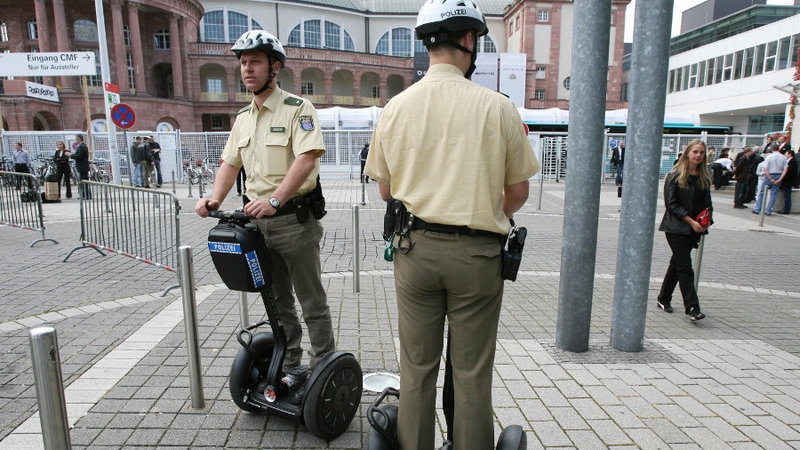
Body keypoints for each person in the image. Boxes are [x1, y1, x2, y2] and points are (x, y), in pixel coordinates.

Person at [364, 0, 540, 448]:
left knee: (417, 368)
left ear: (427, 44)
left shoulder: (396, 108)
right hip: (477, 257)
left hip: (415, 252)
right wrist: (478, 206)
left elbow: (386, 192)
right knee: (471, 371)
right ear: (468, 41)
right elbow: (517, 194)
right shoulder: (499, 108)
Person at [195, 31, 334, 385]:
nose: (247, 69)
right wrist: (215, 198)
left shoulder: (297, 109)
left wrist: (275, 200)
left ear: (274, 67)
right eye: (242, 62)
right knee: (277, 301)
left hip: (293, 222)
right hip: (257, 226)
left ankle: (323, 367)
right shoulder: (243, 117)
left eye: (254, 61)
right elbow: (230, 163)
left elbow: (306, 159)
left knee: (311, 301)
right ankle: (290, 364)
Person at [656, 139, 711, 322]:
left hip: (695, 228)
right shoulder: (675, 175)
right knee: (685, 266)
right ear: (687, 153)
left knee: (677, 264)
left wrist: (705, 221)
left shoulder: (704, 177)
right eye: (695, 152)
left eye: (701, 152)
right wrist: (690, 221)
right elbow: (671, 204)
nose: (698, 155)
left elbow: (707, 204)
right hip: (676, 227)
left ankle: (663, 298)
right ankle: (692, 307)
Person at [752, 143, 788, 215]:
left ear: (771, 149)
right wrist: (780, 179)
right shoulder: (783, 157)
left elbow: (765, 168)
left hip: (769, 174)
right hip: (778, 174)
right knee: (773, 194)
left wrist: (770, 178)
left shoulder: (769, 157)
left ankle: (758, 208)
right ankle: (768, 210)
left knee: (762, 192)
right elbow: (785, 169)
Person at [71, 134, 91, 200]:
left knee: (83, 181)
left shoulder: (82, 146)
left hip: (82, 167)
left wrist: (71, 155)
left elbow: (79, 156)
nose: (76, 141)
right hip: (83, 167)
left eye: (76, 139)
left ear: (79, 139)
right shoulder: (82, 146)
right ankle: (84, 194)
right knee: (83, 181)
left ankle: (85, 195)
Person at [777, 149, 797, 214]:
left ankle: (786, 209)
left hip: (788, 182)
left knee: (787, 195)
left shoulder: (793, 162)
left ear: (790, 154)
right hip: (786, 181)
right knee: (785, 195)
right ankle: (785, 208)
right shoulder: (788, 161)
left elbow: (790, 172)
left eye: (786, 154)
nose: (785, 155)